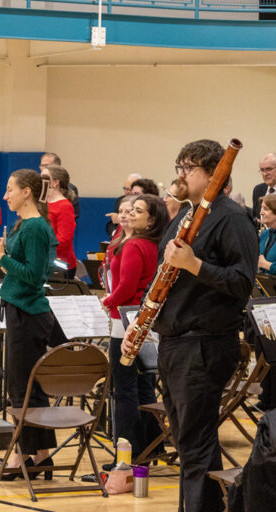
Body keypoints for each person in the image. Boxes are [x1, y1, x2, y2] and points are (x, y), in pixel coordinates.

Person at [123, 139, 258, 512]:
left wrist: (195, 264)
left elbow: (242, 282)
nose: (179, 174)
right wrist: (141, 323)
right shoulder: (186, 214)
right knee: (188, 443)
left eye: (189, 168)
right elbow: (166, 275)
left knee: (195, 445)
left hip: (204, 344)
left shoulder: (232, 218)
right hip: (175, 342)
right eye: (179, 165)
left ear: (215, 174)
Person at [0, 169, 59, 479]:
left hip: (28, 314)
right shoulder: (27, 225)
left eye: (10, 189)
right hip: (22, 310)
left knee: (21, 390)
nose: (5, 195)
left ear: (27, 192)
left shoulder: (34, 227)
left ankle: (23, 457)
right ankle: (41, 456)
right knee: (31, 388)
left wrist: (2, 257)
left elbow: (34, 275)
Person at [102, 194, 168, 464]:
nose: (128, 214)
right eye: (127, 210)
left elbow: (126, 288)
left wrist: (105, 302)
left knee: (124, 391)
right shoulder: (152, 244)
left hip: (124, 322)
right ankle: (150, 447)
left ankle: (126, 455)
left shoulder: (134, 245)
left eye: (136, 211)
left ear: (151, 220)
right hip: (142, 321)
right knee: (143, 388)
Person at [40, 164, 77, 279]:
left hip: (59, 264)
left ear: (55, 182)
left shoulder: (64, 206)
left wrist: (39, 248)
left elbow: (63, 240)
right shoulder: (42, 203)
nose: (40, 180)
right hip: (42, 261)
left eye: (44, 177)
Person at [40, 152, 79, 219]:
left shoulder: (70, 188)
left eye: (46, 166)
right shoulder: (36, 187)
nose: (43, 168)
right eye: (42, 166)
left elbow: (73, 215)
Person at [106, 172, 142, 237]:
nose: (126, 192)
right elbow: (112, 224)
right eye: (125, 188)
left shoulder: (145, 202)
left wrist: (121, 219)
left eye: (129, 189)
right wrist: (115, 234)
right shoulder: (120, 200)